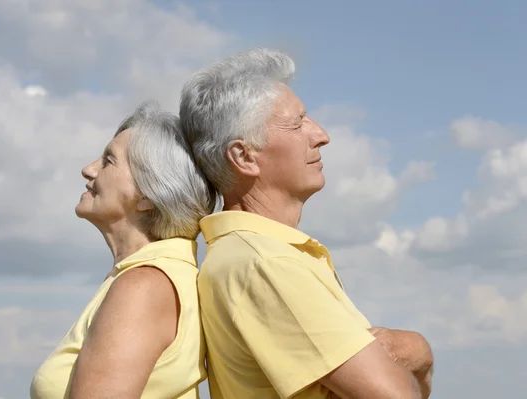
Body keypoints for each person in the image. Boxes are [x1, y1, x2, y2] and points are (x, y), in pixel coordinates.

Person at [180, 48, 434, 399]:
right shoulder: (266, 264)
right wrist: (417, 350)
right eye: (297, 123)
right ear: (244, 156)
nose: (321, 134)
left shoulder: (249, 255)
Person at [30, 100, 217, 399]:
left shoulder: (144, 286)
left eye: (108, 160)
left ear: (148, 196)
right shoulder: (150, 277)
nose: (88, 170)